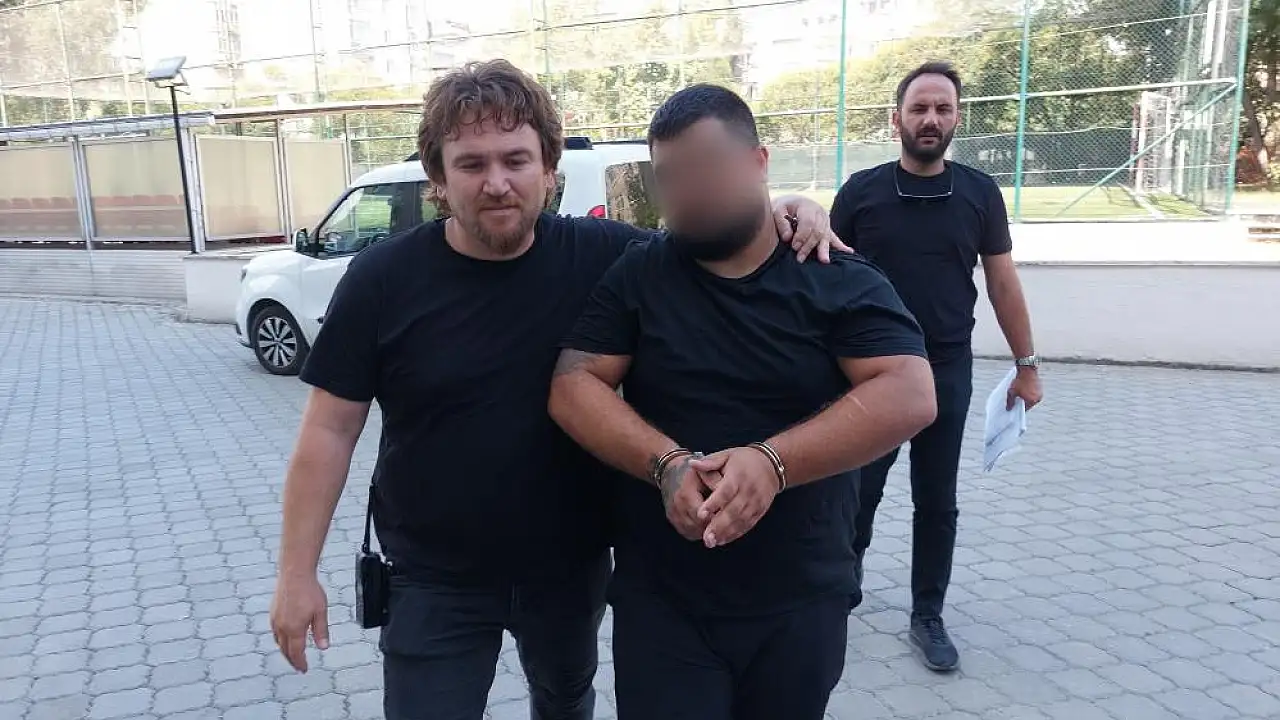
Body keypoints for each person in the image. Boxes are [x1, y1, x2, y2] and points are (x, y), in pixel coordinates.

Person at [267, 59, 848, 720]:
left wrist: (788, 208)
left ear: (549, 169)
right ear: (438, 179)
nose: (497, 183)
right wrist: (296, 574)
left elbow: (715, 235)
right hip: (433, 576)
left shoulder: (610, 257)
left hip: (570, 565)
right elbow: (329, 430)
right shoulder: (382, 280)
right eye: (471, 164)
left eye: (516, 160)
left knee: (565, 701)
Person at [547, 83, 938, 720]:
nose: (688, 193)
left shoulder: (832, 274)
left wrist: (772, 463)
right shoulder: (641, 273)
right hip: (664, 602)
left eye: (707, 168)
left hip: (799, 598)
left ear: (758, 162)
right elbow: (573, 385)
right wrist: (665, 464)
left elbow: (911, 392)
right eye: (670, 177)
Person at [829, 60, 1045, 672]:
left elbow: (1002, 283)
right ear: (896, 118)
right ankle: (839, 588)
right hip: (871, 370)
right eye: (919, 108)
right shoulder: (861, 193)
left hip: (946, 368)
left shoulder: (979, 194)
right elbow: (823, 277)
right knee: (857, 490)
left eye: (943, 109)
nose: (931, 119)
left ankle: (928, 614)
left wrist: (1027, 366)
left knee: (937, 500)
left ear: (956, 119)